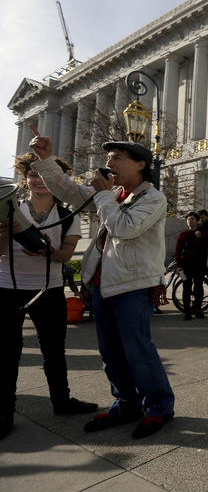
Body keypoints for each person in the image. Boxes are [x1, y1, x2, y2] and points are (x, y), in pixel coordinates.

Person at [29, 135, 175, 440]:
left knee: (138, 350)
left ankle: (159, 407)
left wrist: (105, 196)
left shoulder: (153, 198)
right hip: (102, 285)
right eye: (109, 158)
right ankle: (126, 404)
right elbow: (67, 189)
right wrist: (44, 160)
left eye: (118, 157)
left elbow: (125, 228)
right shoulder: (111, 194)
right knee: (110, 353)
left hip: (133, 287)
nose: (109, 162)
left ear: (140, 165)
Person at [0, 152, 98, 441]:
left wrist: (46, 252)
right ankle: (4, 412)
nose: (38, 180)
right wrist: (6, 233)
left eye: (44, 175)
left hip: (50, 289)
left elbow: (66, 255)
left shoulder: (67, 216)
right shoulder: (10, 208)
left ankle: (62, 401)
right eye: (32, 175)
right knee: (6, 353)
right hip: (7, 289)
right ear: (25, 179)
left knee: (54, 351)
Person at [175, 211, 208, 320]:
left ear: (198, 221)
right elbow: (178, 251)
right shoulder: (183, 234)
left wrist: (200, 237)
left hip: (199, 264)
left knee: (198, 287)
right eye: (188, 219)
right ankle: (187, 311)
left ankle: (198, 309)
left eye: (193, 219)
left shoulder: (204, 232)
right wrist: (179, 265)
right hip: (186, 265)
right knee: (186, 287)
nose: (190, 221)